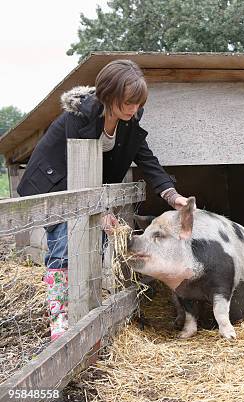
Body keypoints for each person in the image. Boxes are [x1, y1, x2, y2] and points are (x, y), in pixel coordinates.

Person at [17, 59, 188, 341]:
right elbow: (78, 169)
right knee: (63, 246)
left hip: (89, 189)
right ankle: (59, 317)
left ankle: (85, 310)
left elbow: (146, 158)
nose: (134, 110)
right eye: (128, 103)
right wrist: (100, 209)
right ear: (109, 95)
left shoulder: (130, 119)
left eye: (137, 103)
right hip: (57, 184)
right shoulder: (80, 116)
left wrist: (172, 195)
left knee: (93, 245)